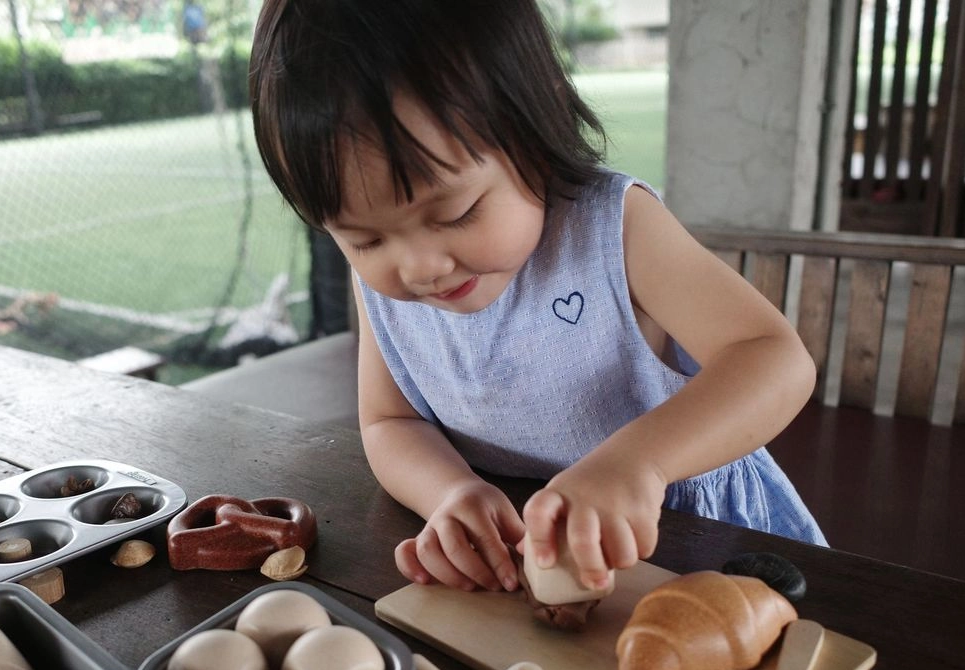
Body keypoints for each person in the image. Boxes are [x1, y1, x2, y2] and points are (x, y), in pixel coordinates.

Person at [248, 0, 826, 596]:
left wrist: (638, 464)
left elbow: (773, 357)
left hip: (694, 536)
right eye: (363, 239)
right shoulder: (385, 284)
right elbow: (390, 422)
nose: (418, 267)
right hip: (529, 549)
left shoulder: (613, 231)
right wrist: (451, 492)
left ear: (533, 127)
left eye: (457, 211)